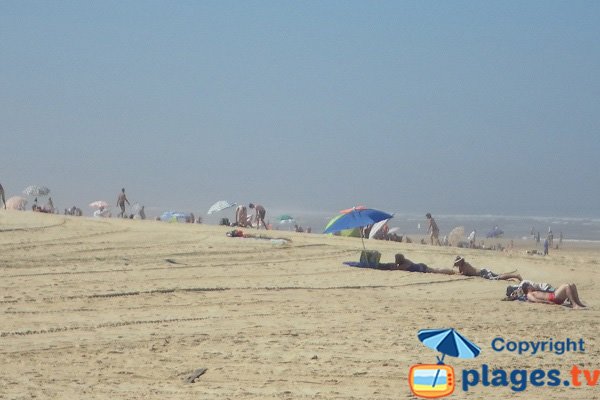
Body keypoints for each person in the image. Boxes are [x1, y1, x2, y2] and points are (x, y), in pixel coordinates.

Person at [453, 255, 522, 281]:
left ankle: (515, 276)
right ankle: (514, 276)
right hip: (483, 271)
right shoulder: (461, 266)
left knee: (498, 278)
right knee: (498, 276)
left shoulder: (465, 265)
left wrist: (456, 274)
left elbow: (463, 274)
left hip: (483, 273)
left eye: (457, 262)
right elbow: (462, 273)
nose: (456, 264)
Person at [375, 254, 455, 275]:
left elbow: (396, 268)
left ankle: (451, 271)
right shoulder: (406, 261)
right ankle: (450, 271)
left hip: (421, 268)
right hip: (420, 266)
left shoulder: (404, 265)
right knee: (436, 269)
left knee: (436, 271)